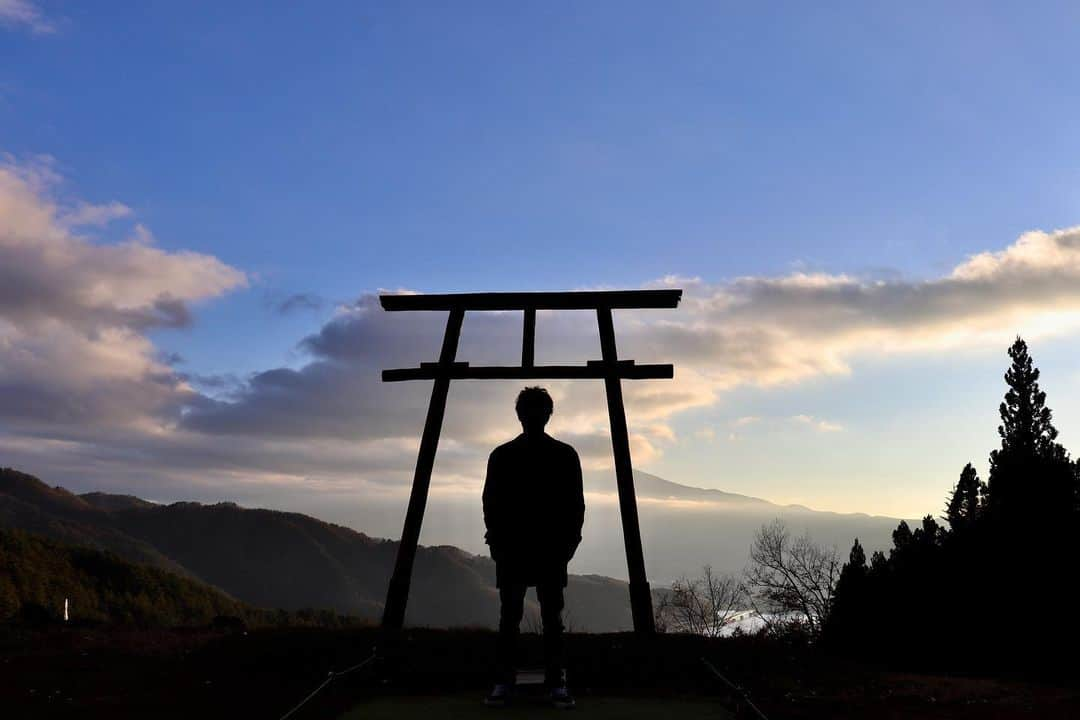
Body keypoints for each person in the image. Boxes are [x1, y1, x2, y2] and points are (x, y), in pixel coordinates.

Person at [482, 386, 584, 709]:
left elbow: (491, 505)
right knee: (552, 619)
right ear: (548, 414)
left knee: (508, 618)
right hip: (549, 551)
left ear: (519, 415)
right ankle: (555, 684)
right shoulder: (565, 455)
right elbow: (575, 507)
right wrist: (568, 546)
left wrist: (497, 543)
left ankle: (504, 682)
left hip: (515, 550)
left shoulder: (501, 456)